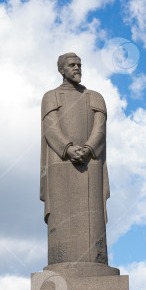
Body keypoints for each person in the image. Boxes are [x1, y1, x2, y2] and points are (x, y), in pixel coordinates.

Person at [40, 53, 110, 266]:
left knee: (92, 224)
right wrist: (68, 149)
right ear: (61, 70)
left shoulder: (95, 97)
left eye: (79, 65)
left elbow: (100, 128)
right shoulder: (51, 96)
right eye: (72, 65)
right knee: (61, 224)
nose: (77, 68)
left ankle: (95, 262)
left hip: (91, 165)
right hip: (61, 166)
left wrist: (88, 149)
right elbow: (50, 127)